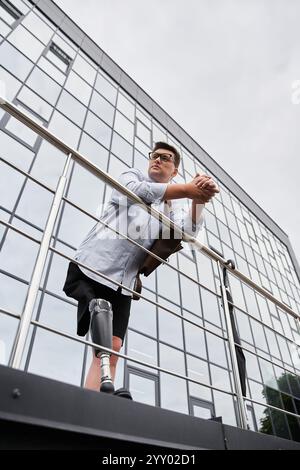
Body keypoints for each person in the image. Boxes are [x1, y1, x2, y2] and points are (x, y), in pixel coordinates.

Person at [63, 141, 219, 393]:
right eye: (154, 156)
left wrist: (199, 197)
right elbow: (134, 191)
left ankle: (98, 399)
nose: (157, 160)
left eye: (165, 158)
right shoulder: (133, 175)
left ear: (175, 170)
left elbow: (187, 231)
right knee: (100, 321)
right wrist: (188, 190)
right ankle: (98, 394)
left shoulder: (171, 208)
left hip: (123, 283)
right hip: (92, 268)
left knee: (113, 348)